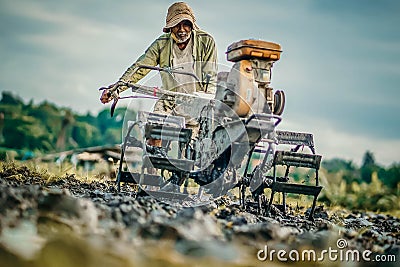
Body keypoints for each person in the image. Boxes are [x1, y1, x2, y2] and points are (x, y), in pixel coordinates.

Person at [100, 1, 218, 108]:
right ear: (170, 27)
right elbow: (140, 67)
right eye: (177, 25)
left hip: (198, 103)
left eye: (186, 24)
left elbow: (210, 77)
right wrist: (117, 88)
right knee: (153, 126)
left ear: (192, 26)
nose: (182, 30)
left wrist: (207, 103)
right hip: (169, 101)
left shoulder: (206, 41)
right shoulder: (161, 44)